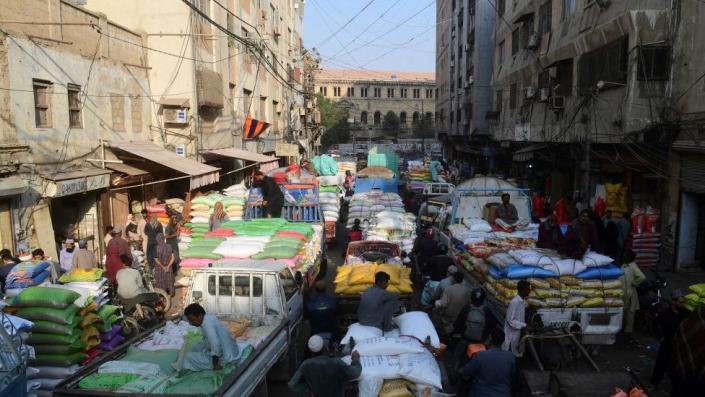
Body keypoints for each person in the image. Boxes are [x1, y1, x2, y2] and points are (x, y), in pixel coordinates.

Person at [288, 335, 362, 397]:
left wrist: (308, 392)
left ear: (311, 351)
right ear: (325, 348)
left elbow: (292, 384)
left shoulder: (306, 364)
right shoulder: (337, 363)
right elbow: (355, 373)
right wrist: (355, 360)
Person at [182, 303, 241, 371]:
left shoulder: (207, 324)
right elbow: (208, 340)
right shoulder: (210, 318)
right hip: (232, 352)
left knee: (188, 357)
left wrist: (215, 365)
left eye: (192, 320)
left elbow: (215, 344)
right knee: (195, 347)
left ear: (200, 316)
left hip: (227, 360)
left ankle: (215, 364)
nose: (190, 323)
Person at [650, 289, 691, 388]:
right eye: (680, 302)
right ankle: (654, 383)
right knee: (661, 364)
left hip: (680, 344)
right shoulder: (665, 314)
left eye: (683, 302)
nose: (682, 304)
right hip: (668, 342)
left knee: (678, 366)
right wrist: (661, 336)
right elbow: (655, 325)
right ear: (673, 301)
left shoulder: (685, 312)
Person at [460, 328, 517, 397]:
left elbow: (466, 372)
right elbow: (513, 376)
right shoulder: (510, 357)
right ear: (503, 341)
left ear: (490, 339)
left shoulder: (480, 356)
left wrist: (460, 370)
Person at [671, 306, 705, 396]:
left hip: (678, 362)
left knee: (675, 389)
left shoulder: (684, 322)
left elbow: (675, 340)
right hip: (694, 370)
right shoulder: (702, 328)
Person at [434, 271, 471, 336]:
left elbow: (443, 304)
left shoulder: (448, 289)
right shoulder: (468, 291)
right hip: (459, 318)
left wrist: (437, 303)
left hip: (448, 317)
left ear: (453, 279)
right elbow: (468, 304)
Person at [621, 250, 646, 336]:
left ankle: (628, 331)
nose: (623, 257)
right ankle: (623, 328)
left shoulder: (633, 266)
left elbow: (642, 277)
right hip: (624, 292)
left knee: (630, 313)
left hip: (630, 292)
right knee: (624, 311)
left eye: (625, 256)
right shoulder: (624, 265)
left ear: (629, 258)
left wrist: (634, 283)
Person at [503, 280, 530, 357]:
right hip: (512, 335)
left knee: (517, 353)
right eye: (528, 289)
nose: (529, 291)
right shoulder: (515, 302)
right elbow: (510, 320)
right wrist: (524, 325)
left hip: (517, 334)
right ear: (523, 290)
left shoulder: (522, 302)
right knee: (511, 355)